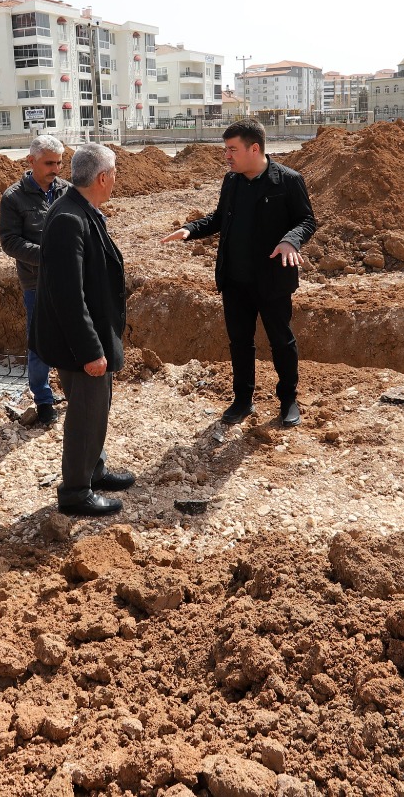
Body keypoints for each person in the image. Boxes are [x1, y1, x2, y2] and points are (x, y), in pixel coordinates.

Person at [161, 119, 318, 428]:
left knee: (281, 341)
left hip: (272, 281)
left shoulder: (288, 180)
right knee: (240, 342)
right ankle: (243, 400)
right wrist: (190, 229)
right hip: (234, 280)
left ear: (254, 148)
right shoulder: (231, 181)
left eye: (232, 149)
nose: (227, 156)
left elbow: (307, 220)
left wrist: (291, 240)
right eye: (225, 150)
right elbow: (219, 218)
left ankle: (288, 399)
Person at [31, 143, 135, 517]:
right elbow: (68, 296)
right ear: (103, 177)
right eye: (115, 173)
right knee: (85, 417)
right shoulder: (69, 219)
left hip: (89, 334)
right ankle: (76, 491)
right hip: (79, 343)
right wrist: (91, 350)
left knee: (95, 410)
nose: (116, 179)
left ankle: (94, 470)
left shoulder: (80, 209)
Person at [0, 134, 71, 427]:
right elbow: (9, 241)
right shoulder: (13, 197)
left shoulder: (66, 191)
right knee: (40, 343)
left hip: (68, 279)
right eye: (49, 163)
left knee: (70, 336)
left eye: (59, 163)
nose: (56, 169)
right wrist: (48, 256)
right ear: (31, 161)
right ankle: (43, 399)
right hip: (36, 282)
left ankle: (72, 390)